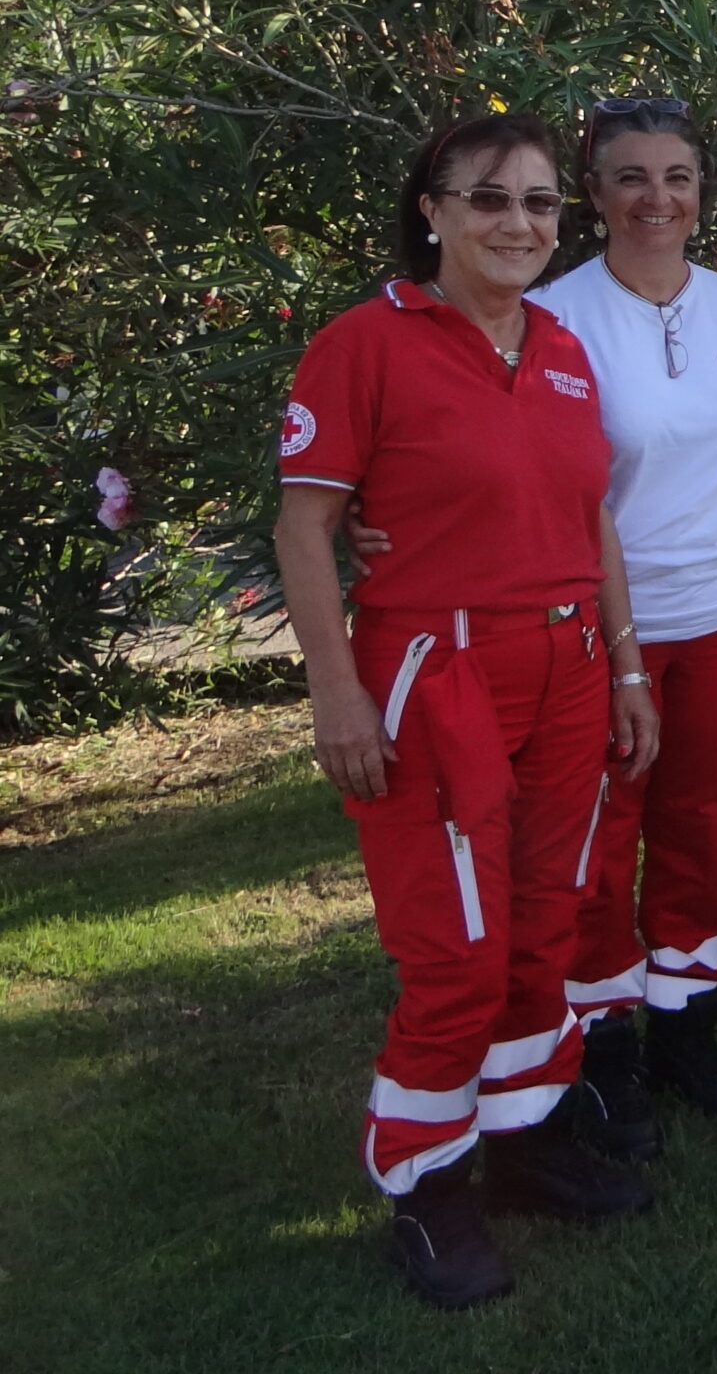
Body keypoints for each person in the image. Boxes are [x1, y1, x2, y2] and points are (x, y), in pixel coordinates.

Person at [272, 113, 660, 1311]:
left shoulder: (561, 348)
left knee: (545, 922)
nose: (518, 223)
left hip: (568, 664)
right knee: (457, 947)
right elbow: (305, 526)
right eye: (489, 197)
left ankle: (522, 1139)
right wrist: (337, 692)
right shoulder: (364, 344)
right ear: (432, 209)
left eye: (539, 203)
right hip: (435, 674)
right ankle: (427, 1183)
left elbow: (590, 514)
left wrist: (627, 666)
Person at [529, 99, 717, 1147]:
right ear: (592, 193)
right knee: (600, 841)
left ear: (700, 191)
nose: (657, 198)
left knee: (698, 823)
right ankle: (604, 1052)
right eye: (631, 176)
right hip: (604, 624)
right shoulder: (552, 319)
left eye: (677, 176)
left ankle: (688, 1027)